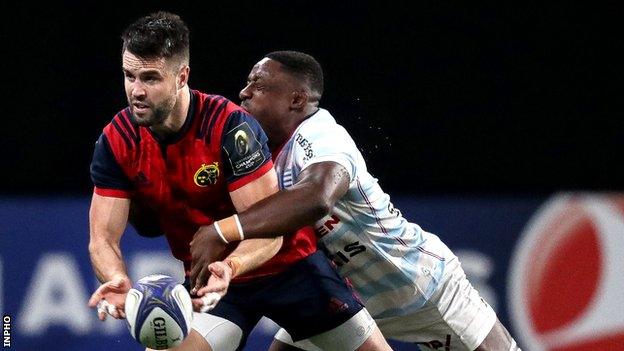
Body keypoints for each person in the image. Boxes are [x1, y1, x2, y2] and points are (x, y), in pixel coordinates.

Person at [87, 12, 391, 351]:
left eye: (150, 78)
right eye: (130, 76)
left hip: (292, 270)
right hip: (212, 284)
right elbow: (103, 239)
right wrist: (115, 277)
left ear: (181, 76)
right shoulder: (116, 140)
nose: (137, 91)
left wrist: (231, 265)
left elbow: (271, 234)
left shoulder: (229, 126)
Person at [190, 51, 521, 350]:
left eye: (258, 85)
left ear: (296, 98)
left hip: (421, 288)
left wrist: (222, 231)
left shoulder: (321, 135)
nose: (244, 93)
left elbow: (317, 198)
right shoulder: (258, 154)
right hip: (344, 295)